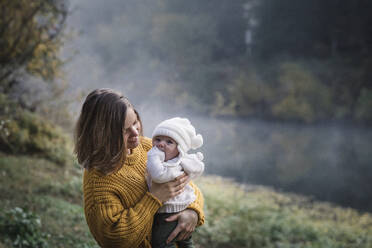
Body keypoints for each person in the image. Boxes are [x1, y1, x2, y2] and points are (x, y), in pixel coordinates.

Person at [74, 88, 204, 248]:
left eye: (135, 122)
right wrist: (154, 197)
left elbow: (187, 183)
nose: (136, 132)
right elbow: (115, 239)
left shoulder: (148, 146)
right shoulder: (99, 181)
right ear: (103, 134)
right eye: (125, 130)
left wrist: (193, 211)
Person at [147, 117, 205, 248]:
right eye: (158, 139)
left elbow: (158, 176)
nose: (161, 144)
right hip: (178, 208)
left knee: (161, 242)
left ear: (180, 149)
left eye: (169, 142)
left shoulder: (172, 166)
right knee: (185, 242)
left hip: (170, 212)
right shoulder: (172, 162)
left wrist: (154, 156)